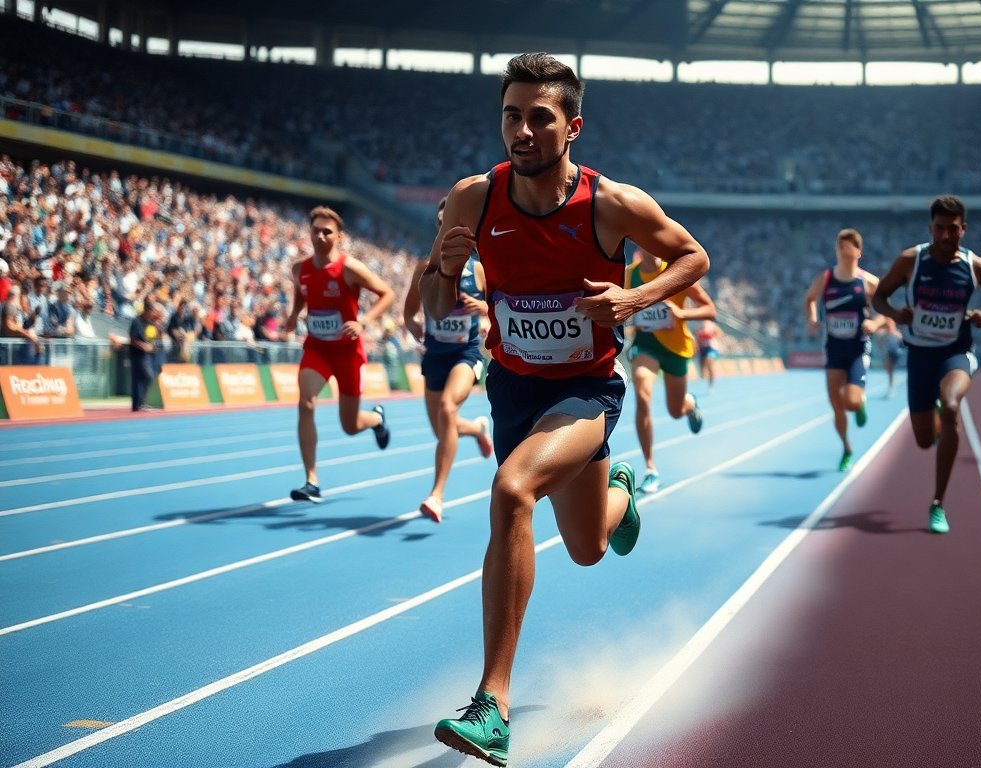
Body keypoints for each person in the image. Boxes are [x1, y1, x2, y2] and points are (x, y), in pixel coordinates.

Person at [420, 53, 709, 767]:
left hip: (587, 390)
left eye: (538, 118)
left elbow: (693, 256)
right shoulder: (471, 200)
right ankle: (622, 493)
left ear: (572, 126)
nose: (521, 129)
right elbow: (432, 309)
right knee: (585, 549)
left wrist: (633, 299)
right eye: (511, 116)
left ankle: (492, 704)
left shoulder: (611, 204)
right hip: (514, 391)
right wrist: (448, 272)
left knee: (511, 489)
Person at [873, 195, 981, 534]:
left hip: (956, 352)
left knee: (951, 406)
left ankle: (938, 503)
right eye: (940, 229)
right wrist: (895, 313)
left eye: (953, 229)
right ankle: (935, 413)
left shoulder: (977, 267)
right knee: (923, 440)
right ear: (930, 228)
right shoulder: (911, 260)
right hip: (919, 355)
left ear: (964, 229)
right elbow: (878, 296)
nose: (946, 236)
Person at [284, 206, 395, 503]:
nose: (320, 236)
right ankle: (311, 480)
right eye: (315, 230)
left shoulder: (349, 268)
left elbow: (387, 293)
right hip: (317, 349)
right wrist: (293, 315)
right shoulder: (300, 269)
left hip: (347, 352)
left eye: (327, 231)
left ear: (339, 236)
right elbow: (300, 293)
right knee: (306, 402)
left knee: (349, 425)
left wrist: (364, 321)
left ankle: (375, 419)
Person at [402, 201, 496, 523]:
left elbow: (500, 305)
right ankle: (478, 428)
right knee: (444, 429)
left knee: (446, 409)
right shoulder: (426, 265)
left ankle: (436, 495)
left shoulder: (480, 270)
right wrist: (412, 324)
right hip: (435, 356)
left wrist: (483, 310)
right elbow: (408, 310)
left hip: (465, 353)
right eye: (443, 223)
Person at [626, 246, 715, 494]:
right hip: (646, 346)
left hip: (676, 350)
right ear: (638, 245)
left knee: (675, 411)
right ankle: (650, 468)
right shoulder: (628, 276)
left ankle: (689, 404)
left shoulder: (676, 273)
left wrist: (681, 314)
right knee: (643, 397)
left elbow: (710, 310)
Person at [804, 228, 884, 471]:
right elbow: (810, 299)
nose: (843, 250)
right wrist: (812, 319)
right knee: (836, 404)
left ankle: (859, 402)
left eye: (848, 246)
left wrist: (875, 322)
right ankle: (847, 448)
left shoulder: (868, 282)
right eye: (839, 246)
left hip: (858, 349)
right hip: (834, 349)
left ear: (858, 251)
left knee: (850, 402)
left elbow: (886, 312)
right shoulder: (826, 278)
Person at [127, 300, 164, 412]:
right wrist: (144, 346)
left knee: (143, 379)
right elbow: (133, 339)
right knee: (147, 377)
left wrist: (159, 327)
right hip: (137, 354)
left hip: (148, 355)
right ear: (146, 310)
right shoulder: (136, 321)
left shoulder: (151, 322)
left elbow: (155, 337)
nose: (153, 314)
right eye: (152, 311)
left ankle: (139, 404)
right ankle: (138, 404)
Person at [694, 318, 722, 391]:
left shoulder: (712, 326)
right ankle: (703, 376)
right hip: (703, 349)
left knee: (709, 362)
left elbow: (719, 333)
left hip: (712, 348)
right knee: (701, 366)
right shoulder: (699, 327)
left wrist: (715, 339)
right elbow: (697, 338)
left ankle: (711, 384)